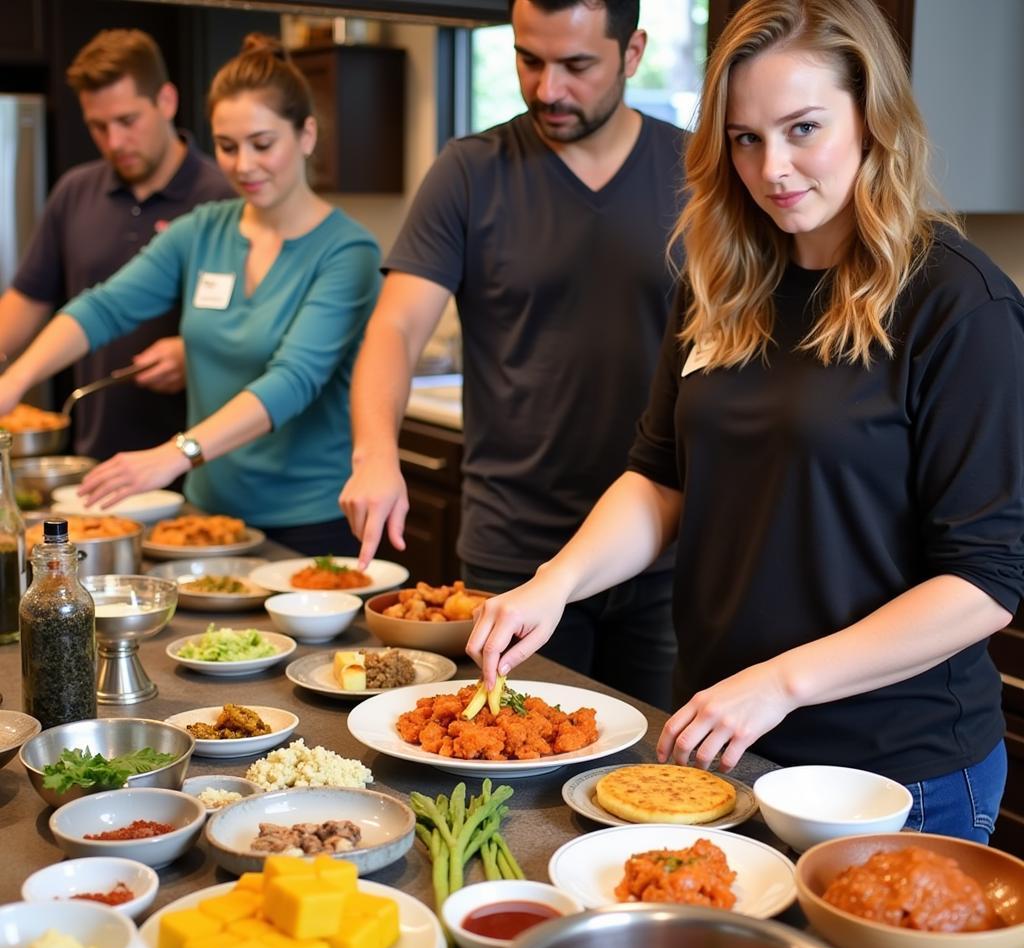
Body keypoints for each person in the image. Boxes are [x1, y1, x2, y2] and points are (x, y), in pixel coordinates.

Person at [466, 0, 1024, 844]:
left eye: (804, 128)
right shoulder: (722, 283)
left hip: (890, 766)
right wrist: (556, 580)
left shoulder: (957, 305)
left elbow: (984, 583)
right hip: (725, 737)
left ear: (874, 119)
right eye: (745, 138)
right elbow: (660, 477)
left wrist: (782, 683)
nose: (773, 168)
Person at [339, 0, 686, 709]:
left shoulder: (698, 173)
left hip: (664, 547)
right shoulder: (470, 171)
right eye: (529, 60)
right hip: (511, 550)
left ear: (633, 51)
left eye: (577, 65)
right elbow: (397, 328)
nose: (548, 87)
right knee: (516, 765)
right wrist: (374, 451)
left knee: (652, 784)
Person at [0, 34, 380, 557]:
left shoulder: (348, 251)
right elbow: (103, 306)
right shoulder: (203, 230)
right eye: (227, 146)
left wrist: (177, 453)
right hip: (208, 517)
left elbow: (293, 380)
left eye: (262, 143)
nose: (244, 164)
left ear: (307, 134)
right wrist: (14, 380)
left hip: (309, 526)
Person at [0, 28, 233, 461]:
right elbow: (31, 298)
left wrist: (194, 353)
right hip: (97, 454)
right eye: (98, 126)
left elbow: (256, 326)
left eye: (127, 121)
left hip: (197, 457)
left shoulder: (224, 200)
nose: (114, 142)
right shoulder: (75, 191)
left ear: (166, 100)